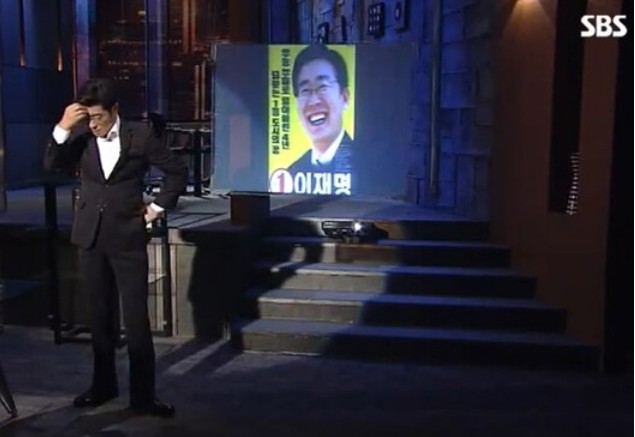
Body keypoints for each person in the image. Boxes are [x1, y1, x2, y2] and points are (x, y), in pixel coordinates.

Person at [44, 78, 187, 418]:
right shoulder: (81, 136)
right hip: (90, 237)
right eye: (89, 118)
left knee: (136, 320)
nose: (94, 124)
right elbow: (51, 165)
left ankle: (143, 396)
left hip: (127, 238)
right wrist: (63, 126)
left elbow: (177, 171)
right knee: (99, 317)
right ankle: (103, 386)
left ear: (115, 110)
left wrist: (156, 208)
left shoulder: (140, 135)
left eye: (99, 117)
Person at [287, 45, 354, 176]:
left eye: (323, 87)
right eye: (305, 90)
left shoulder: (366, 163)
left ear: (345, 98)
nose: (313, 101)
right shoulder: (292, 174)